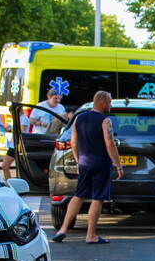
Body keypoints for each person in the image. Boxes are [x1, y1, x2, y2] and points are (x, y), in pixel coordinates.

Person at [52, 91, 123, 244]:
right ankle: (91, 235)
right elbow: (110, 144)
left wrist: (79, 161)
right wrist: (118, 165)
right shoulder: (105, 120)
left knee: (78, 196)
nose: (110, 105)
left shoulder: (79, 118)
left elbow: (73, 142)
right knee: (97, 198)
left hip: (84, 163)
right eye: (110, 102)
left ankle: (63, 229)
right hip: (101, 164)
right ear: (103, 102)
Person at [0, 111, 32, 180]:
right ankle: (8, 182)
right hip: (13, 145)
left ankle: (11, 182)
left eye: (11, 112)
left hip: (19, 146)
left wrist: (10, 129)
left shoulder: (24, 119)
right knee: (5, 166)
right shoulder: (18, 118)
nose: (11, 114)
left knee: (7, 166)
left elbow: (21, 131)